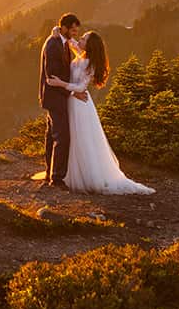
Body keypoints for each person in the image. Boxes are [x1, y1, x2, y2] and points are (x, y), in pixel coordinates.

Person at [44, 29, 154, 195]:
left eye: (84, 38)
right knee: (71, 138)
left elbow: (81, 87)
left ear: (89, 45)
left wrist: (61, 84)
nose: (79, 39)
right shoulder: (82, 55)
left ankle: (83, 176)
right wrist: (56, 32)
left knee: (81, 139)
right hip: (72, 100)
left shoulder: (90, 63)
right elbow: (71, 42)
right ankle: (65, 173)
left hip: (80, 106)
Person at [38, 13, 84, 189]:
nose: (74, 33)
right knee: (62, 137)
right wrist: (72, 92)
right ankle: (57, 178)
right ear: (64, 28)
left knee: (52, 136)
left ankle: (50, 173)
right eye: (72, 29)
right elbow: (52, 76)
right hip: (55, 97)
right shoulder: (53, 44)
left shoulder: (62, 42)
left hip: (55, 97)